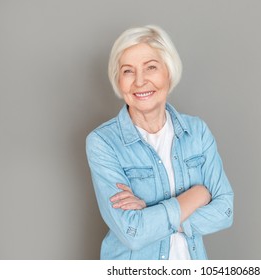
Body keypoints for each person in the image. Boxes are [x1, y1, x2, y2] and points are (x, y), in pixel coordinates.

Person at [86, 25, 234, 260]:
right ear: (118, 80)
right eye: (128, 71)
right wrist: (198, 194)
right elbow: (132, 232)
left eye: (151, 67)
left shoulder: (197, 132)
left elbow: (225, 211)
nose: (140, 81)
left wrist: (150, 213)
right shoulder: (103, 142)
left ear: (169, 72)